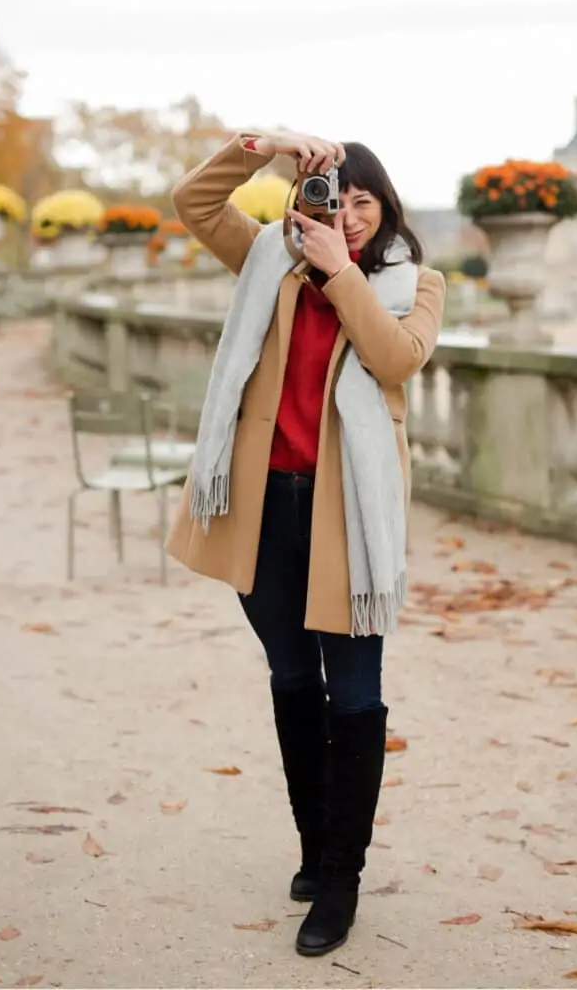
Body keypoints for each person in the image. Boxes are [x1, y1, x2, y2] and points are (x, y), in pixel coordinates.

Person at [166, 130, 445, 956]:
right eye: (334, 197)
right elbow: (194, 202)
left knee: (354, 697)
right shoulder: (267, 264)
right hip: (266, 509)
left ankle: (343, 879)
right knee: (292, 680)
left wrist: (341, 273)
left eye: (365, 201)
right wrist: (260, 145)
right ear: (303, 200)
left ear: (386, 210)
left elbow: (395, 361)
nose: (348, 214)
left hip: (348, 519)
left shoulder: (412, 285)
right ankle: (313, 850)